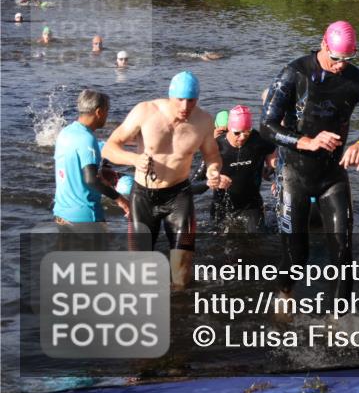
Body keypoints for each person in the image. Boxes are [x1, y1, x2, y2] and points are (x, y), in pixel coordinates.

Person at [261, 21, 359, 299]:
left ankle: (339, 324)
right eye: (336, 58)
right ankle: (284, 294)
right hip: (293, 174)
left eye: (348, 59)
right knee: (296, 258)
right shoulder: (294, 73)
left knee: (343, 255)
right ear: (323, 45)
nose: (341, 65)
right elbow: (267, 125)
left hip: (332, 176)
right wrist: (306, 141)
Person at [102, 71, 223, 287]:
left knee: (182, 267)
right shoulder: (145, 112)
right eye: (180, 100)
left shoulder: (204, 121)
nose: (185, 107)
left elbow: (212, 156)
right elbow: (110, 148)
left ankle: (178, 312)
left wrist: (213, 172)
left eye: (191, 101)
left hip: (179, 198)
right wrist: (134, 158)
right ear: (170, 96)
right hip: (143, 198)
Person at [193, 105, 277, 232]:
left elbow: (274, 151)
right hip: (221, 206)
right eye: (237, 133)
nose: (242, 137)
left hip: (251, 204)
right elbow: (192, 186)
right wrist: (210, 182)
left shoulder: (258, 140)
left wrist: (273, 169)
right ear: (229, 129)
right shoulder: (217, 147)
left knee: (258, 239)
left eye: (247, 132)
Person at [53, 90, 131, 226]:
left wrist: (100, 173)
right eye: (107, 110)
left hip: (61, 216)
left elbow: (73, 170)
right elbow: (91, 180)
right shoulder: (88, 139)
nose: (107, 115)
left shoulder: (65, 133)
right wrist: (121, 200)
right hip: (86, 219)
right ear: (99, 112)